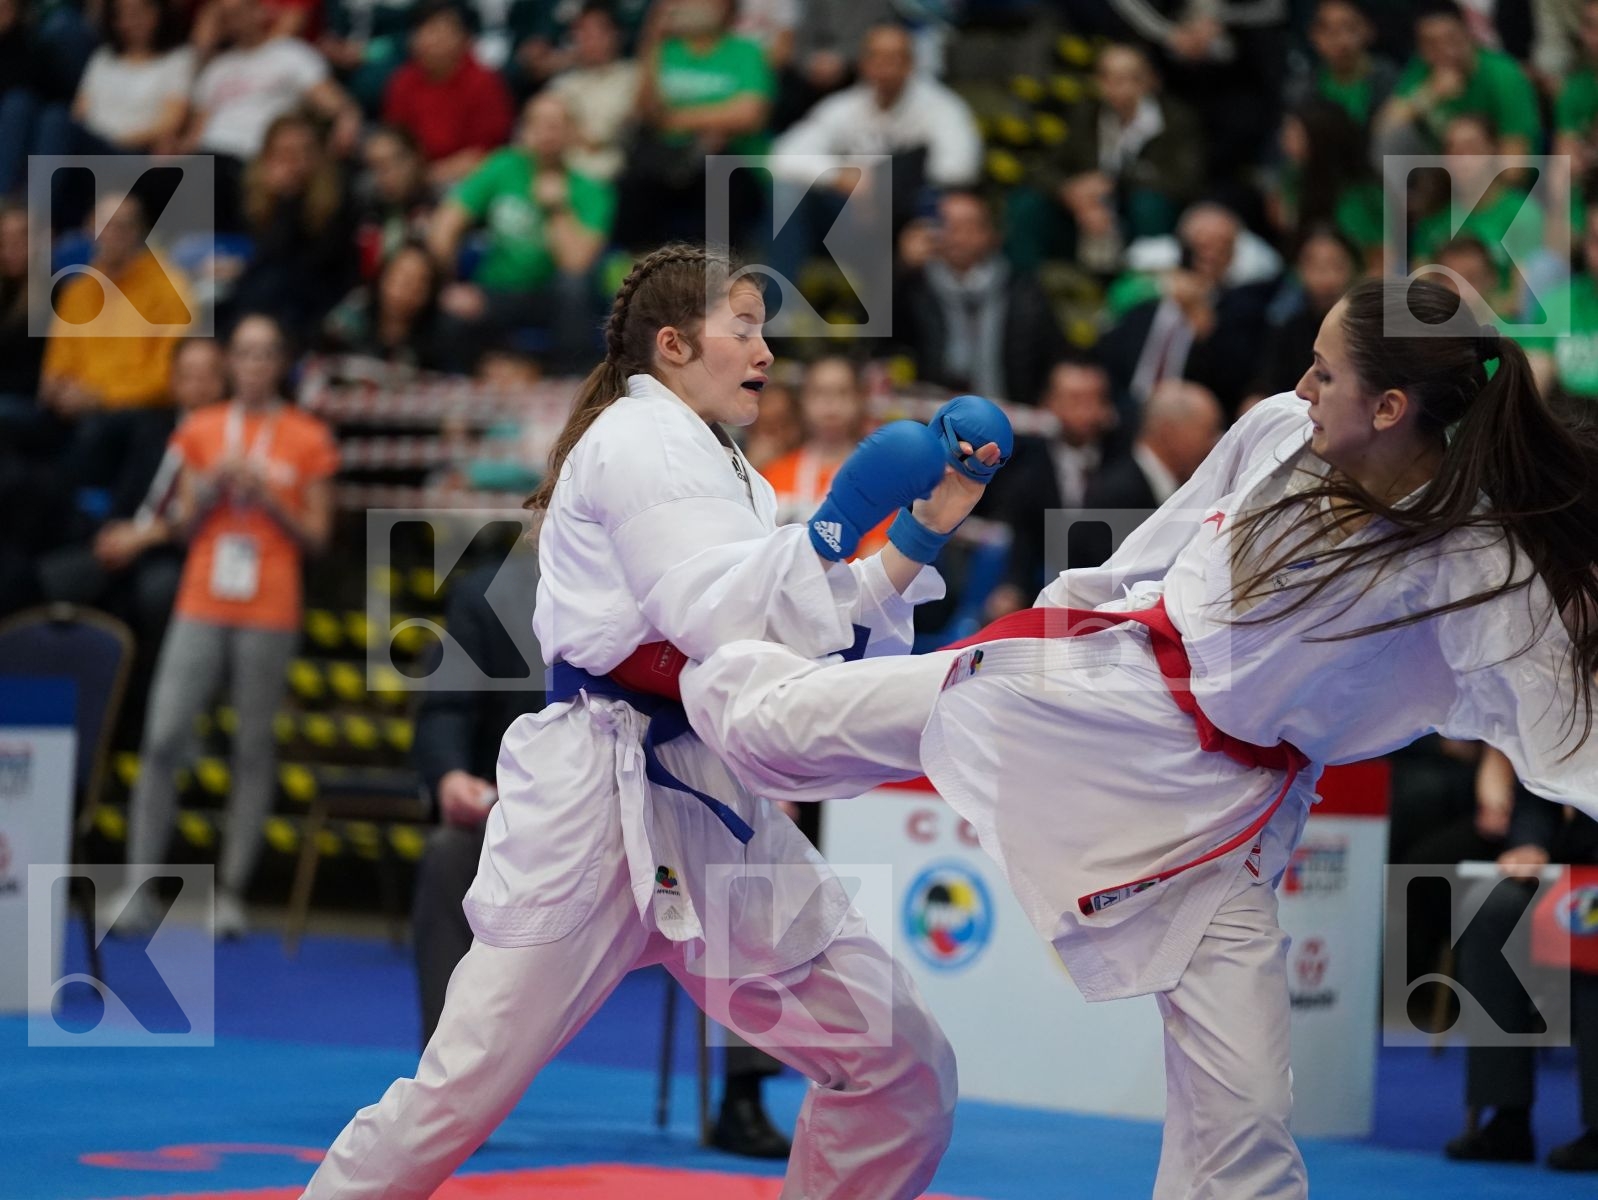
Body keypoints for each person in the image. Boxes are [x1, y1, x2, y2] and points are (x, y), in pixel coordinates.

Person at [677, 276, 1598, 1199]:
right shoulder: (1283, 430)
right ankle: (668, 674)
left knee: (1241, 1129)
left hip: (1221, 816)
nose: (1302, 387)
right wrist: (1071, 611)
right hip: (1102, 692)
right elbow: (1164, 539)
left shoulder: (1475, 563)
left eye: (1324, 373)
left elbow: (1573, 729)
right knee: (782, 725)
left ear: (1391, 407)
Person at [300, 243, 1014, 1199]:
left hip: (708, 795)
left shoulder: (731, 469)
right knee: (460, 1088)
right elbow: (718, 617)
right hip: (595, 796)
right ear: (673, 345)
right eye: (745, 327)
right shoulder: (635, 443)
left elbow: (801, 632)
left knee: (901, 1065)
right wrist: (838, 525)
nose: (767, 349)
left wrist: (927, 527)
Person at [113, 313, 338, 939]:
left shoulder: (307, 436)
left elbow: (319, 537)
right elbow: (181, 527)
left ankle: (231, 891)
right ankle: (137, 885)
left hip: (270, 604)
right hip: (202, 596)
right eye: (244, 353)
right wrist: (212, 485)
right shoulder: (201, 429)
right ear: (230, 363)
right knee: (162, 739)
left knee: (252, 747)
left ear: (282, 363)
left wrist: (270, 498)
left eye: (267, 353)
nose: (255, 364)